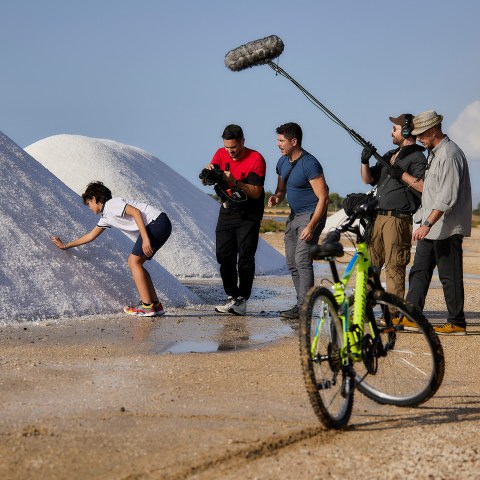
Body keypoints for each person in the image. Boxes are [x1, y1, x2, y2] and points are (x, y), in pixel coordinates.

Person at [51, 181, 172, 317]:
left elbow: (135, 212)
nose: (89, 208)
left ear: (94, 199)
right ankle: (155, 305)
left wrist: (145, 238)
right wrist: (65, 245)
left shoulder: (112, 204)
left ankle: (147, 307)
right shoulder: (106, 216)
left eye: (88, 203)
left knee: (133, 262)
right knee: (137, 263)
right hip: (160, 223)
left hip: (156, 222)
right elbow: (90, 236)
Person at [401, 110, 472, 335]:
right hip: (431, 226)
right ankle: (411, 317)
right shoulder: (434, 153)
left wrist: (427, 224)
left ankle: (457, 322)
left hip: (446, 227)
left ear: (433, 131)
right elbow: (431, 191)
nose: (419, 138)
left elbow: (446, 197)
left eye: (421, 134)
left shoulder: (449, 155)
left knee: (449, 276)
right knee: (419, 271)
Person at [360, 114, 427, 307]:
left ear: (406, 131)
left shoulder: (418, 157)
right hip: (377, 218)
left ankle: (394, 314)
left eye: (395, 129)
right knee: (369, 266)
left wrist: (402, 174)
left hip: (397, 219)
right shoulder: (390, 154)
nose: (391, 132)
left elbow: (424, 187)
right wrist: (364, 161)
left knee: (394, 267)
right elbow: (367, 179)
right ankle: (364, 310)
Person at [202, 124, 266, 316]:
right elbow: (209, 179)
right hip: (227, 209)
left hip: (249, 213)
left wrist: (234, 182)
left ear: (242, 142)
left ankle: (242, 299)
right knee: (224, 255)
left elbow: (256, 192)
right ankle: (232, 296)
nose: (230, 151)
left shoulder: (256, 158)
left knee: (245, 257)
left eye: (234, 147)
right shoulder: (220, 153)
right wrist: (208, 176)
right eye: (227, 147)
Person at [268, 122, 329, 319]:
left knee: (302, 260)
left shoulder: (310, 163)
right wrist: (276, 198)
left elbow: (323, 197)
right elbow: (281, 190)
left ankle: (305, 307)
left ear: (294, 141)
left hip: (311, 215)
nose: (278, 144)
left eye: (281, 141)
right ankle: (301, 304)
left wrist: (311, 225)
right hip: (293, 215)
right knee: (292, 262)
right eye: (278, 140)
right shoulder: (282, 162)